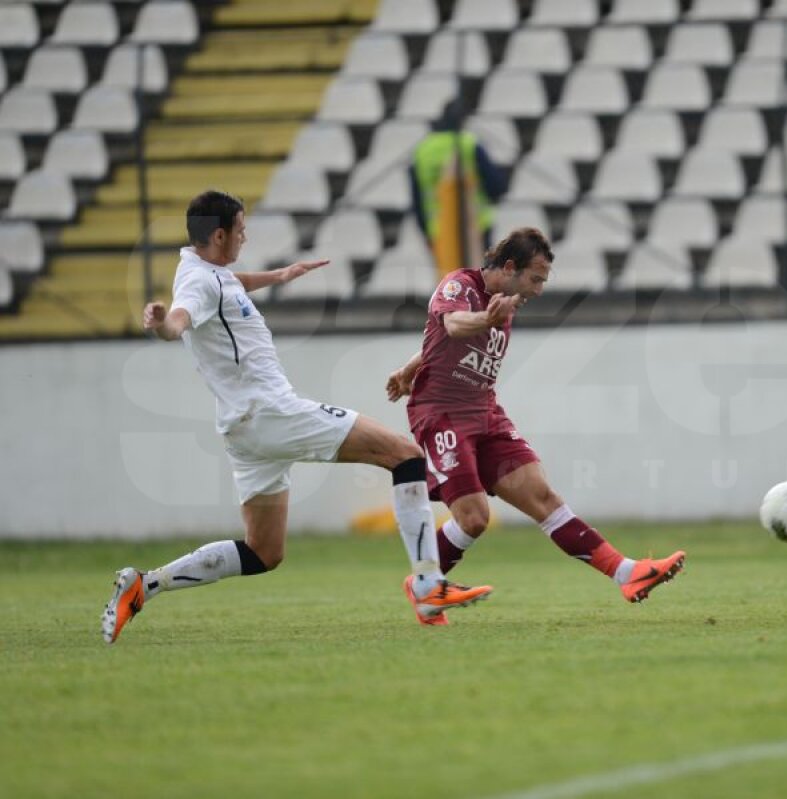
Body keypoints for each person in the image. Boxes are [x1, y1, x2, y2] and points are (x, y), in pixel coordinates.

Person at [101, 190, 492, 644]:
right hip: (271, 411)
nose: (245, 237)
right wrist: (163, 324)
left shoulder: (207, 270)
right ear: (221, 233)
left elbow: (230, 283)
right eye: (242, 230)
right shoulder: (198, 284)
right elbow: (181, 319)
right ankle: (427, 585)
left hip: (243, 429)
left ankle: (143, 586)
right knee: (405, 456)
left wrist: (280, 275)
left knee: (263, 551)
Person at [385, 227, 685, 626]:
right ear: (510, 268)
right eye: (535, 279)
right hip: (442, 414)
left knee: (543, 498)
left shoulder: (503, 303)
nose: (539, 290)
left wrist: (409, 367)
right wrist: (482, 320)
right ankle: (425, 588)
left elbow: (438, 339)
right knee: (474, 518)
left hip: (486, 412)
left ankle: (627, 574)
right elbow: (454, 325)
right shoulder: (461, 285)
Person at [409, 99, 507, 272]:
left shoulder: (422, 150)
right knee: (478, 287)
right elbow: (496, 187)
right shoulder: (469, 144)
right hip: (476, 227)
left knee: (451, 287)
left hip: (438, 231)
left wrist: (426, 232)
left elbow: (417, 201)